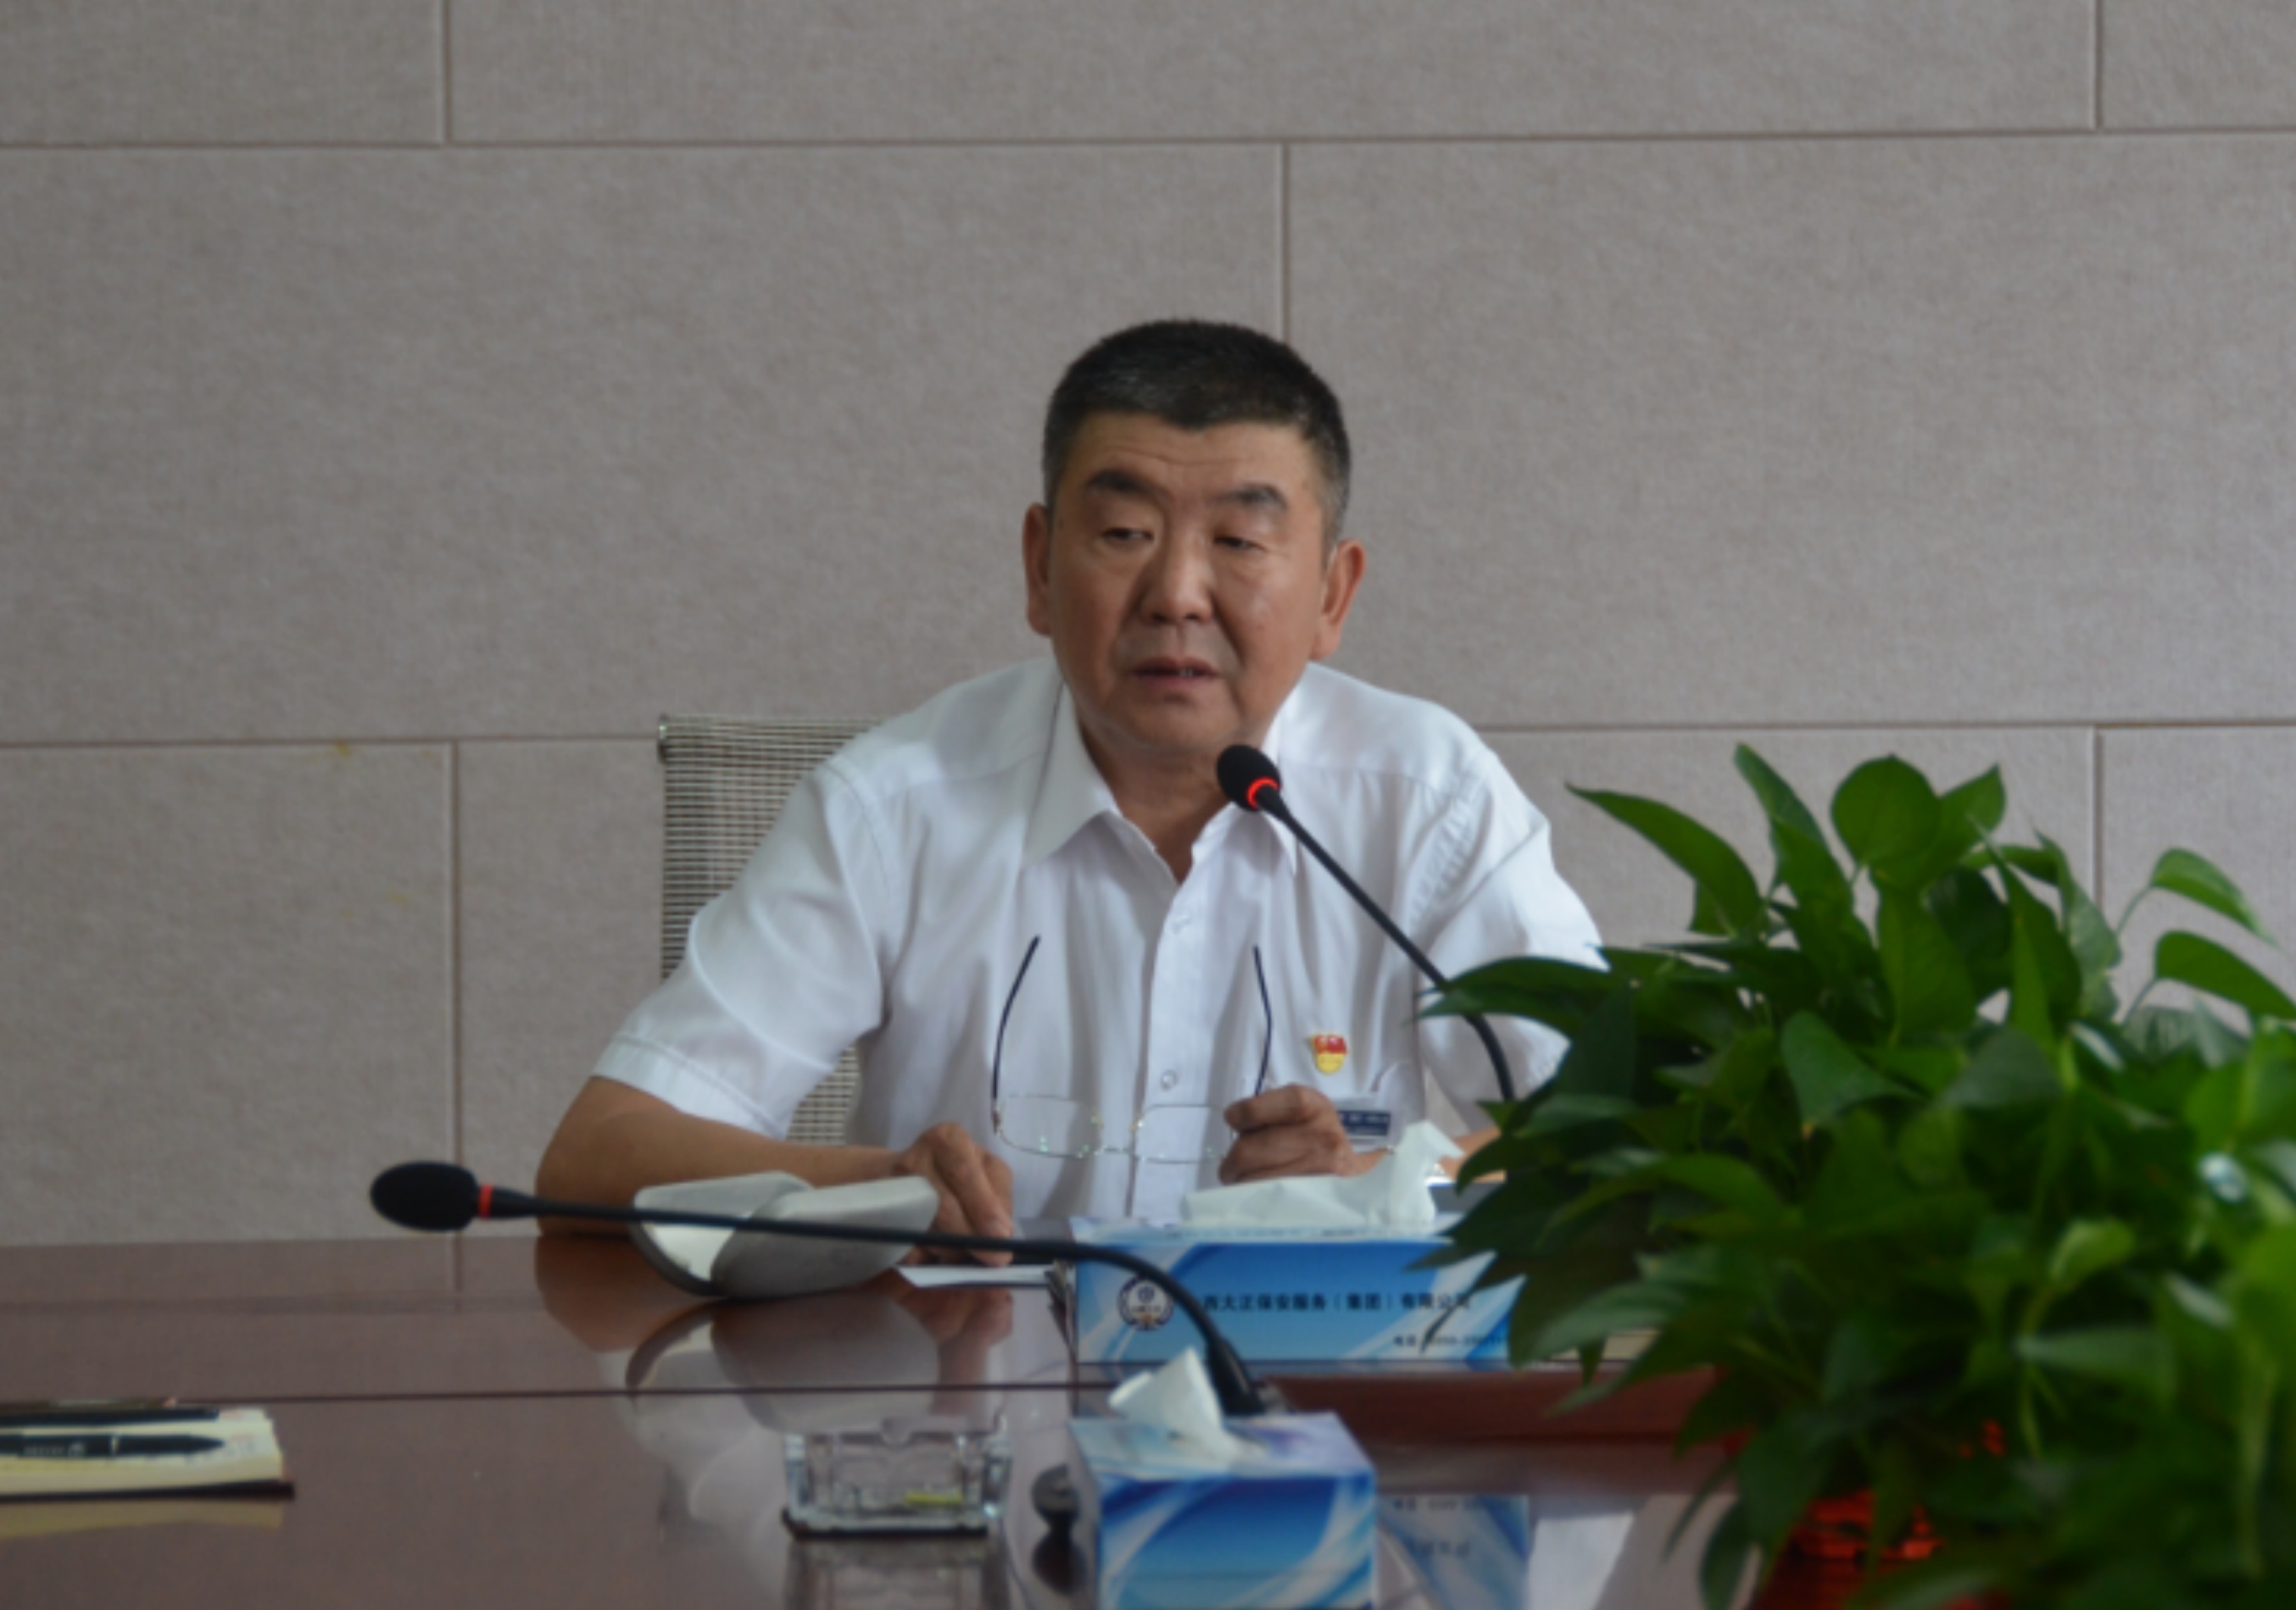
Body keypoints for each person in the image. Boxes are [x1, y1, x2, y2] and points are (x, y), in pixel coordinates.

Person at [537, 319, 1600, 1252]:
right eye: (1125, 535)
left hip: (1321, 1387)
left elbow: (1625, 1141)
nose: (1177, 594)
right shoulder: (891, 807)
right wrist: (879, 1189)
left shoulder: (1430, 803)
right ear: (1039, 567)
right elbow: (597, 1157)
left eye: (1239, 541)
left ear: (1332, 593)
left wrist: (1386, 1186)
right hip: (967, 1391)